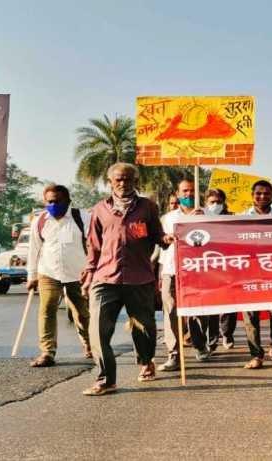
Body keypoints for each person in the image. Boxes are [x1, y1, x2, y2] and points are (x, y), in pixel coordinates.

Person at [81, 163, 172, 396]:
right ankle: (106, 379)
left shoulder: (147, 207)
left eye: (128, 180)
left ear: (135, 181)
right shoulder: (100, 209)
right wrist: (89, 275)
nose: (123, 184)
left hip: (139, 278)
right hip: (105, 278)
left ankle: (146, 361)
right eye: (119, 180)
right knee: (98, 330)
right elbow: (93, 245)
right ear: (110, 181)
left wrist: (166, 239)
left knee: (144, 328)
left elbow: (157, 235)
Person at [25, 184, 92, 367]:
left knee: (82, 313)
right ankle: (47, 352)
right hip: (48, 272)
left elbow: (94, 245)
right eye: (49, 201)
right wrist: (32, 276)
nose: (53, 205)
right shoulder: (39, 221)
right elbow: (34, 249)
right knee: (46, 311)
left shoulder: (83, 217)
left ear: (68, 201)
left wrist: (92, 270)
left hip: (78, 274)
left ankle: (89, 344)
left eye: (57, 201)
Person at [157, 179, 212, 373]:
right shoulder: (168, 218)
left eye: (192, 191)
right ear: (178, 194)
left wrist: (201, 221)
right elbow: (162, 245)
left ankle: (199, 344)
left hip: (198, 272)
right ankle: (174, 355)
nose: (189, 194)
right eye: (185, 191)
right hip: (172, 271)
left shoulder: (208, 215)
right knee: (171, 312)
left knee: (198, 312)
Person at [241, 180, 272, 369]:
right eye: (258, 193)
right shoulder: (240, 219)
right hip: (248, 272)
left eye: (266, 194)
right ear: (252, 195)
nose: (262, 197)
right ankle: (256, 355)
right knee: (250, 315)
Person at [204, 188, 237, 351]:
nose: (215, 205)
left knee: (228, 306)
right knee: (211, 306)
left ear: (224, 203)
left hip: (228, 267)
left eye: (218, 202)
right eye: (212, 202)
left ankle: (227, 334)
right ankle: (212, 339)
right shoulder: (199, 217)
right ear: (206, 203)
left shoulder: (232, 218)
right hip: (206, 268)